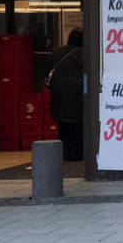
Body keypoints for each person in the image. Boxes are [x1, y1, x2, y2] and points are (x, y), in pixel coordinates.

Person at [47, 27, 85, 161]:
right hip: (79, 98)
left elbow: (48, 73)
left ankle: (64, 154)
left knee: (63, 129)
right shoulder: (84, 54)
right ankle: (75, 156)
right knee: (77, 130)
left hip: (59, 98)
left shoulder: (57, 52)